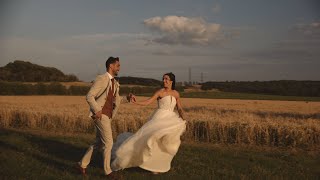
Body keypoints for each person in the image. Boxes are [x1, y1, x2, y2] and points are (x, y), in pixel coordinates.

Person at [111, 72, 186, 174]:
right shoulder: (160, 92)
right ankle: (146, 163)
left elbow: (179, 108)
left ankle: (159, 165)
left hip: (170, 119)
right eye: (163, 79)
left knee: (167, 142)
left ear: (171, 81)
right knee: (152, 139)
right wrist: (136, 102)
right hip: (159, 118)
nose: (164, 81)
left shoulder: (176, 93)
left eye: (166, 79)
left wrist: (183, 118)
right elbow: (148, 102)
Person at [77, 56, 133, 177]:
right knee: (109, 143)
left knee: (98, 143)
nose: (119, 67)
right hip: (101, 115)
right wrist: (97, 110)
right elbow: (89, 96)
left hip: (108, 116)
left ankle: (82, 164)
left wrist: (127, 98)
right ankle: (108, 172)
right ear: (111, 66)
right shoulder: (101, 79)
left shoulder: (115, 83)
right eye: (118, 65)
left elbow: (117, 100)